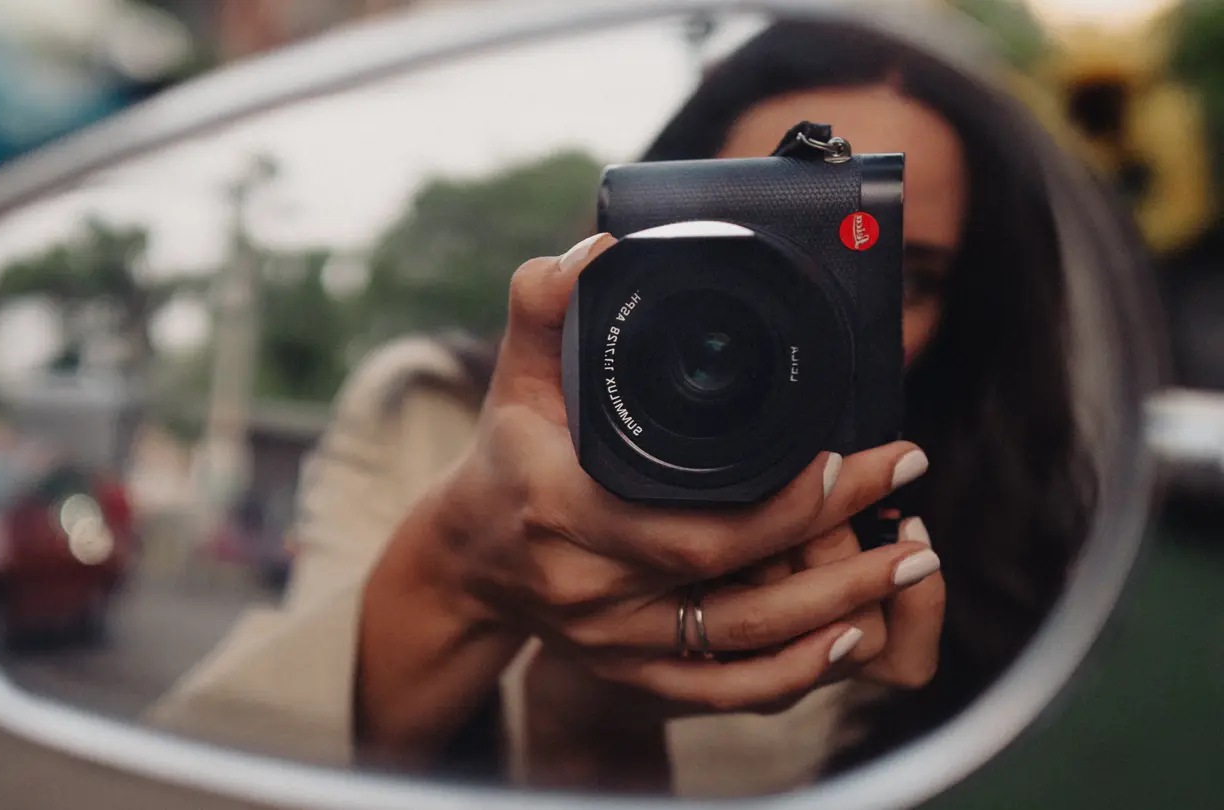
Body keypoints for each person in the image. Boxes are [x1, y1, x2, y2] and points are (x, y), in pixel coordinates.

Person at [147, 19, 1093, 796]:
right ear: (649, 234)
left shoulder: (986, 549)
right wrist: (453, 571)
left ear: (973, 315)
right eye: (766, 246)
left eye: (893, 272)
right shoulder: (433, 418)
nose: (820, 310)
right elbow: (193, 777)